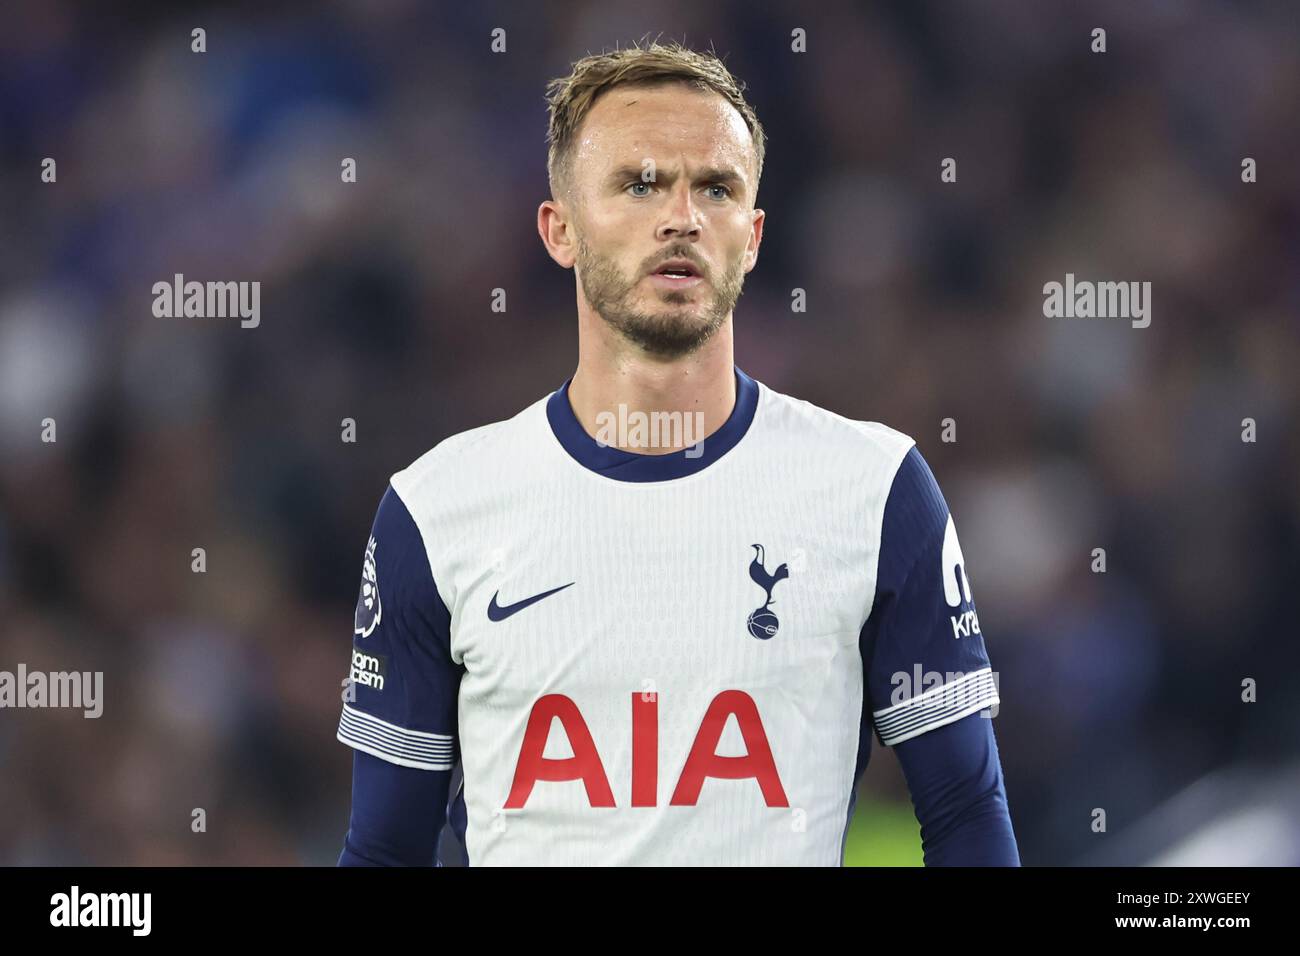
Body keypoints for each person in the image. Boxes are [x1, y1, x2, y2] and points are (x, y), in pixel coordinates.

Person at [337, 40, 1018, 866]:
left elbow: (967, 814)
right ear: (560, 230)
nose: (682, 217)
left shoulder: (875, 490)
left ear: (754, 234)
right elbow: (383, 849)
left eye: (717, 188)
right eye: (639, 183)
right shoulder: (437, 509)